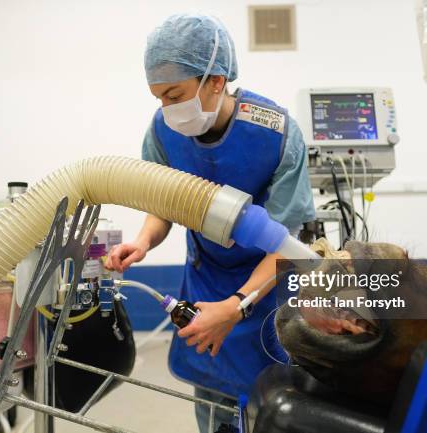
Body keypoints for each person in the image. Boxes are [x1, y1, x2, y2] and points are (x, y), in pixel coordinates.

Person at [105, 14, 315, 432]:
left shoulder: (276, 135)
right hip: (205, 278)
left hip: (267, 283)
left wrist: (238, 306)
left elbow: (285, 242)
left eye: (175, 94)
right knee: (215, 402)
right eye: (158, 97)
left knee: (272, 403)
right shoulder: (163, 133)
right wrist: (145, 241)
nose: (167, 108)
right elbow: (163, 201)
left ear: (216, 80)